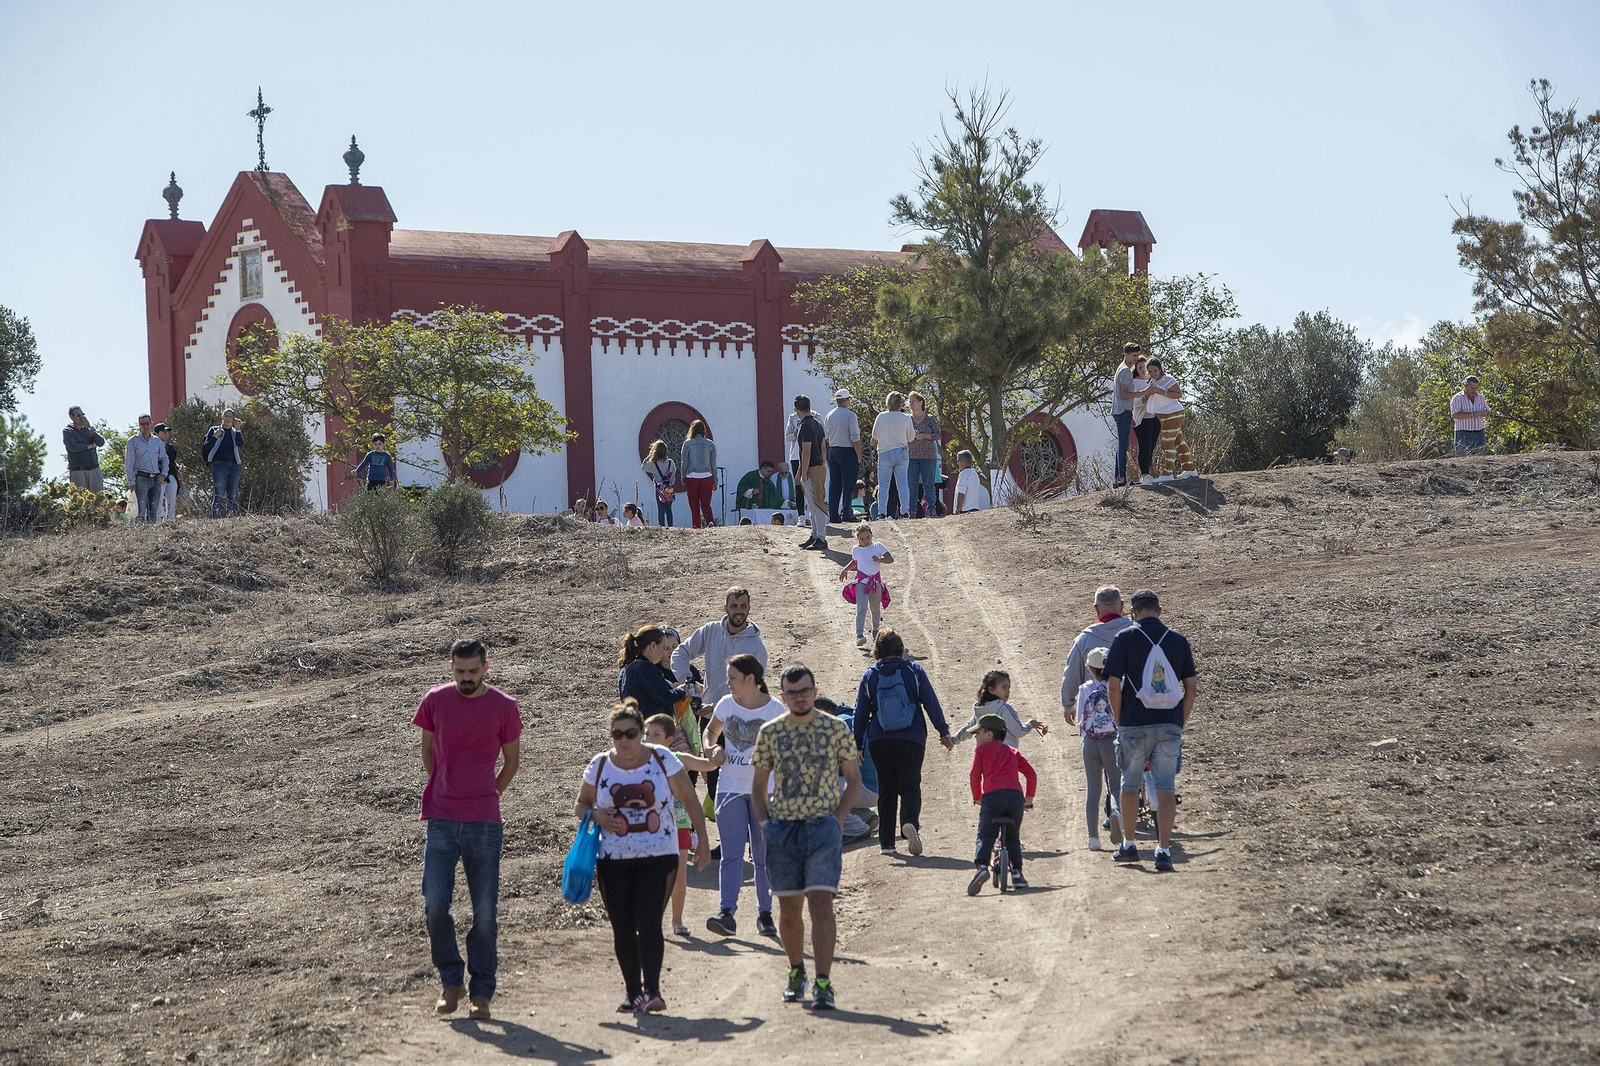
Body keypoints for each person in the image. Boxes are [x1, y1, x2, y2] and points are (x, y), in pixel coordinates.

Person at [413, 639, 524, 1021]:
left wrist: (490, 793)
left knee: (485, 911)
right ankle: (450, 981)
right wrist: (442, 785)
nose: (466, 678)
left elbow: (512, 761)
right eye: (460, 672)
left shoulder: (504, 707)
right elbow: (427, 750)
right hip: (441, 818)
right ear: (451, 669)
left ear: (486, 668)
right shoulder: (435, 700)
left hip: (484, 821)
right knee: (434, 902)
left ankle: (481, 992)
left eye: (473, 672)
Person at [575, 701, 710, 1013]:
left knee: (648, 922)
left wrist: (701, 840)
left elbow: (689, 798)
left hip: (658, 857)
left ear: (641, 734)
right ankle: (632, 993)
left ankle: (653, 992)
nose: (624, 741)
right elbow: (580, 804)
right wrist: (596, 815)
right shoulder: (599, 765)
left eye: (631, 734)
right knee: (622, 927)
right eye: (617, 734)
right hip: (613, 859)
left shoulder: (662, 760)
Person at [751, 663, 862, 1011]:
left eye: (805, 691)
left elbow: (853, 780)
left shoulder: (836, 729)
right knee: (788, 910)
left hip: (822, 829)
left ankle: (824, 982)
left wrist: (838, 820)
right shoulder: (770, 732)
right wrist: (767, 824)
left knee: (821, 904)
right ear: (783, 696)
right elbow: (757, 786)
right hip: (783, 830)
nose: (799, 698)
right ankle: (797, 972)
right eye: (792, 693)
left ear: (815, 691)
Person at [1104, 589, 1197, 873]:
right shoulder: (1178, 640)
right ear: (1160, 609)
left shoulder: (1124, 638)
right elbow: (1191, 689)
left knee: (1130, 787)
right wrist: (1179, 721)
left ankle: (1130, 845)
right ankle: (1164, 850)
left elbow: (1113, 685)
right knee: (1166, 788)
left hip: (1134, 723)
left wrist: (1121, 720)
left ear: (1132, 612)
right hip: (1169, 724)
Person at [701, 654, 785, 939]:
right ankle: (727, 913)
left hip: (765, 792)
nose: (728, 684)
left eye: (732, 678)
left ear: (751, 679)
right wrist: (711, 749)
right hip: (729, 790)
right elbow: (710, 732)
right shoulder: (726, 704)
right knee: (731, 855)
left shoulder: (775, 709)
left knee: (762, 857)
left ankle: (765, 914)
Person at [853, 628, 954, 857]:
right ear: (901, 648)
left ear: (876, 651)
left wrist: (858, 743)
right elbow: (930, 702)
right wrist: (943, 732)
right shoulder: (914, 671)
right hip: (912, 738)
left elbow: (860, 713)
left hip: (879, 739)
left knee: (886, 789)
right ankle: (909, 823)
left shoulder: (870, 676)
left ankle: (887, 844)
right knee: (910, 785)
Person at [644, 713, 723, 937]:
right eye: (646, 734)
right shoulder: (639, 759)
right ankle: (651, 921)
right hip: (649, 828)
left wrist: (717, 753)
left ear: (669, 739)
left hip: (678, 824)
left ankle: (677, 921)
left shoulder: (679, 758)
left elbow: (707, 765)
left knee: (678, 875)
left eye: (656, 735)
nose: (649, 739)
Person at [966, 714, 1038, 894]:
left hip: (992, 797)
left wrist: (977, 797)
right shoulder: (1012, 751)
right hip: (1015, 797)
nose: (976, 736)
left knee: (985, 835)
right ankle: (1017, 873)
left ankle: (982, 867)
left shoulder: (981, 751)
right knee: (1013, 837)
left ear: (989, 734)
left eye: (978, 732)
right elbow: (1031, 774)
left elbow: (975, 776)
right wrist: (1028, 799)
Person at [671, 587, 769, 710]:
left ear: (749, 608)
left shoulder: (757, 647)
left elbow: (754, 688)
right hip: (707, 716)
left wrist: (715, 707)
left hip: (738, 718)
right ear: (725, 608)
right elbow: (680, 653)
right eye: (734, 606)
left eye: (743, 606)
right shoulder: (710, 631)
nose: (739, 611)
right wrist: (688, 681)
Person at [1068, 647, 1124, 852]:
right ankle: (1117, 814)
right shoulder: (1118, 685)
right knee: (1116, 785)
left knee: (1093, 789)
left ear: (1091, 669)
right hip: (1112, 740)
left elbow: (1081, 720)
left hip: (1090, 742)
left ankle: (1093, 838)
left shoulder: (1085, 689)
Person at [815, 696, 878, 844]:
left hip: (867, 787)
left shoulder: (840, 724)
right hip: (874, 786)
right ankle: (866, 817)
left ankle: (856, 829)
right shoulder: (848, 719)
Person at [1060, 586, 1137, 706]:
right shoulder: (1139, 632)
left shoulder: (1084, 640)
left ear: (1096, 609)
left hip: (1097, 711)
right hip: (1134, 707)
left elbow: (1072, 675)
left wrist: (1068, 704)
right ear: (1122, 606)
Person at [952, 670, 1047, 747]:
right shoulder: (1004, 709)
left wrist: (952, 740)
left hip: (987, 761)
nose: (1008, 692)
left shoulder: (981, 711)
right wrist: (1030, 724)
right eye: (1004, 688)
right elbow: (1018, 731)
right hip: (1006, 759)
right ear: (991, 690)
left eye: (1009, 688)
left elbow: (969, 729)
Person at [618, 625, 689, 720]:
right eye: (664, 648)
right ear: (653, 646)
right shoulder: (644, 668)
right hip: (648, 727)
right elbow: (664, 697)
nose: (664, 653)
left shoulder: (629, 667)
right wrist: (682, 690)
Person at [839, 522, 893, 648]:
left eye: (868, 537)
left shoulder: (878, 546)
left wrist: (880, 560)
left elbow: (890, 559)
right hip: (861, 582)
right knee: (861, 608)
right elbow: (855, 561)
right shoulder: (856, 549)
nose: (865, 541)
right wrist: (845, 569)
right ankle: (859, 635)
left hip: (876, 582)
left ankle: (875, 633)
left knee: (875, 609)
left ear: (871, 535)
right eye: (862, 539)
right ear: (857, 539)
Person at [1142, 359, 1196, 482]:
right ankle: (1190, 469)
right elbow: (1146, 400)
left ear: (1160, 369)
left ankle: (1167, 473)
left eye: (1155, 370)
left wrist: (1163, 391)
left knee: (1168, 442)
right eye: (1150, 371)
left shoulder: (1168, 379)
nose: (1153, 373)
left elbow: (1178, 394)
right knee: (1179, 442)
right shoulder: (1151, 381)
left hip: (1172, 414)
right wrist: (1147, 394)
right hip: (1163, 415)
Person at [870, 392, 916, 520]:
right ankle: (905, 512)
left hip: (885, 452)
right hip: (902, 452)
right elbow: (911, 438)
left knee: (884, 484)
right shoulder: (906, 417)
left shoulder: (881, 417)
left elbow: (874, 438)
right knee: (902, 483)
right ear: (900, 404)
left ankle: (882, 513)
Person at [793, 395, 829, 551]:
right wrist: (823, 463)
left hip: (811, 467)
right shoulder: (817, 424)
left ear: (797, 410)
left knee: (816, 505)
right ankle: (815, 535)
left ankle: (820, 537)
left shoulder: (805, 426)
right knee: (813, 504)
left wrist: (804, 472)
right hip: (819, 466)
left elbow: (806, 451)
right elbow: (823, 447)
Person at [824, 388, 862, 523]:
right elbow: (855, 437)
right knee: (848, 484)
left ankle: (833, 514)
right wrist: (859, 455)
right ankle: (847, 513)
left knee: (834, 484)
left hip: (833, 450)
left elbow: (826, 437)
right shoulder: (850, 415)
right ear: (846, 400)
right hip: (847, 451)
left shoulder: (829, 415)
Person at [124, 414, 168, 524]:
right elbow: (129, 463)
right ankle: (140, 536)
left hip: (156, 479)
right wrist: (131, 481)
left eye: (147, 423)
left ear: (151, 423)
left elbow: (164, 458)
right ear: (139, 425)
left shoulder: (157, 441)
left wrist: (163, 474)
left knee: (154, 510)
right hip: (141, 479)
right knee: (141, 510)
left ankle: (151, 535)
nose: (145, 426)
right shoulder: (133, 441)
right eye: (142, 424)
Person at [1111, 342, 1143, 488]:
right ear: (1127, 354)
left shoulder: (1122, 368)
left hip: (1121, 410)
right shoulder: (1125, 371)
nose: (1136, 358)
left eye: (1137, 355)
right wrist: (1143, 392)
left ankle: (1119, 479)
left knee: (1121, 445)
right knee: (1123, 445)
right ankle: (1122, 479)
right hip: (1123, 410)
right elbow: (1124, 394)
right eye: (1134, 355)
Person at [203, 408, 245, 517]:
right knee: (219, 494)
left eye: (230, 417)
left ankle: (231, 518)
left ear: (233, 419)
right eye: (226, 416)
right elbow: (206, 447)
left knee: (232, 494)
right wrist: (215, 436)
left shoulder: (235, 432)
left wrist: (238, 429)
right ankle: (216, 518)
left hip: (234, 466)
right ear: (222, 418)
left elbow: (240, 444)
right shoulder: (214, 430)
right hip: (219, 465)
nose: (228, 418)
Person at [907, 392, 940, 518]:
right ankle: (912, 510)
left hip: (928, 456)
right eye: (909, 401)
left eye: (913, 401)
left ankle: (931, 508)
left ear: (921, 402)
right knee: (912, 484)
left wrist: (924, 436)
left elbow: (937, 435)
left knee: (928, 483)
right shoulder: (907, 419)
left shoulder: (930, 418)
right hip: (911, 456)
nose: (911, 404)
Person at [679, 420, 718, 528]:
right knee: (706, 503)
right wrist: (715, 480)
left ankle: (696, 526)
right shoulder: (710, 444)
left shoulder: (687, 444)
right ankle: (710, 521)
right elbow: (713, 464)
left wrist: (683, 476)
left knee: (694, 503)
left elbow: (684, 462)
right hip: (707, 475)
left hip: (692, 476)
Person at [1131, 354, 1161, 485]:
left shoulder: (1153, 380)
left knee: (1152, 447)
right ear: (1136, 369)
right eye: (1140, 367)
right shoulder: (1134, 382)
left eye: (1144, 367)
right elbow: (1133, 401)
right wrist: (1145, 397)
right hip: (1143, 418)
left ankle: (1148, 473)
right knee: (1144, 446)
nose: (1143, 370)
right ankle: (1144, 474)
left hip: (1155, 417)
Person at [63, 406, 106, 493]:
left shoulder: (88, 430)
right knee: (80, 499)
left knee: (98, 499)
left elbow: (101, 442)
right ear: (71, 417)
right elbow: (73, 447)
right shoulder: (68, 431)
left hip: (93, 468)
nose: (81, 418)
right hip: (78, 470)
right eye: (78, 415)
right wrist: (90, 446)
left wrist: (90, 429)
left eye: (82, 414)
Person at [1451, 376, 1491, 456]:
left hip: (1479, 433)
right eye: (1472, 388)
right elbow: (1455, 415)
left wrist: (1485, 413)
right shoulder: (1457, 398)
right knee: (1463, 461)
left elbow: (1489, 412)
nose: (1474, 391)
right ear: (1465, 386)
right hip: (1463, 434)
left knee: (1480, 461)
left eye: (1476, 388)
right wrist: (1472, 414)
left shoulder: (1480, 398)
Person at [642, 440, 677, 528]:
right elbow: (674, 471)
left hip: (659, 487)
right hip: (669, 487)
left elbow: (643, 468)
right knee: (669, 509)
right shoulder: (670, 462)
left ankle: (661, 525)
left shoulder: (653, 463)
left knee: (660, 509)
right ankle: (671, 525)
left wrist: (648, 457)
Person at [154, 422, 182, 522]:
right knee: (159, 501)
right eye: (163, 432)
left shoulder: (171, 447)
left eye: (167, 432)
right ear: (156, 433)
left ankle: (171, 521)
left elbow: (172, 461)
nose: (166, 434)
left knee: (171, 500)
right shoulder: (153, 447)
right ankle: (157, 521)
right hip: (159, 476)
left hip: (171, 475)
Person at [783, 403, 806, 518]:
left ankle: (814, 515)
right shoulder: (792, 418)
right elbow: (787, 437)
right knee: (798, 486)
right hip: (796, 456)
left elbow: (823, 434)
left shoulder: (815, 416)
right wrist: (797, 434)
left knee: (813, 487)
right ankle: (801, 515)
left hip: (812, 456)